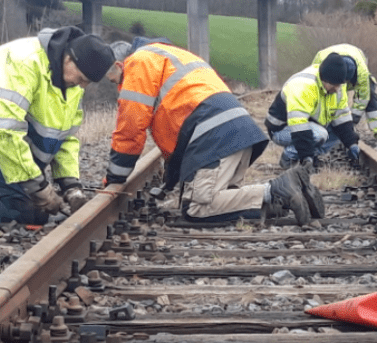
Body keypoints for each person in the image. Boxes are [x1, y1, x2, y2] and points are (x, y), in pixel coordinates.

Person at [105, 38, 324, 226]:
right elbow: (178, 136)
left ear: (119, 64)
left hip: (214, 136)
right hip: (235, 131)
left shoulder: (138, 62)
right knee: (224, 201)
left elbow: (131, 127)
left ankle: (277, 189)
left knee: (197, 208)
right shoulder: (169, 55)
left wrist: (115, 177)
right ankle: (292, 196)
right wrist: (169, 183)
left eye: (116, 81)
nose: (120, 88)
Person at [0, 26, 117, 225]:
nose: (81, 86)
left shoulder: (71, 83)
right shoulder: (23, 62)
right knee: (20, 213)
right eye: (81, 79)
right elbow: (5, 131)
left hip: (9, 161)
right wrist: (38, 187)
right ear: (69, 58)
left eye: (86, 82)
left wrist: (70, 184)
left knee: (36, 214)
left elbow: (66, 137)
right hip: (5, 153)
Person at [265, 52, 360, 170]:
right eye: (334, 85)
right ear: (325, 79)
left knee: (336, 132)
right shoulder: (304, 86)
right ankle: (289, 157)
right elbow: (299, 127)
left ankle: (307, 156)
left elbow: (342, 118)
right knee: (320, 134)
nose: (337, 89)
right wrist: (307, 157)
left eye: (339, 85)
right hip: (281, 128)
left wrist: (352, 143)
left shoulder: (336, 87)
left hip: (308, 125)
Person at [312, 44, 377, 149]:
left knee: (370, 93)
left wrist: (352, 121)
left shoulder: (362, 73)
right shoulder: (322, 62)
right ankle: (325, 131)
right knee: (328, 99)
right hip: (328, 69)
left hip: (356, 58)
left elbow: (363, 97)